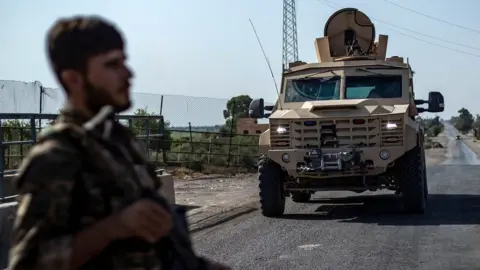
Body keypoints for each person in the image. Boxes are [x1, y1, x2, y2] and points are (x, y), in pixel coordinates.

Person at [8, 15, 230, 270]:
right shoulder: (55, 156)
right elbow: (29, 263)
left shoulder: (120, 142)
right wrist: (113, 228)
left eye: (124, 61)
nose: (128, 74)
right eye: (112, 65)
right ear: (74, 80)